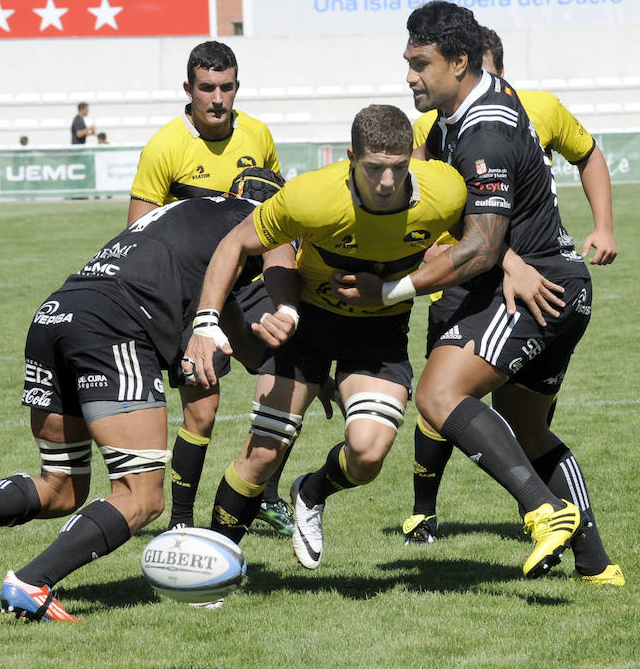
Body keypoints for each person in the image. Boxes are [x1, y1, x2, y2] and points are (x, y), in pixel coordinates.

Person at [0, 168, 291, 622]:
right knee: (142, 497)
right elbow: (278, 266)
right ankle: (31, 582)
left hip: (56, 314)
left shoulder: (193, 219)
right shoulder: (264, 223)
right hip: (112, 327)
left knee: (61, 486)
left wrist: (305, 370)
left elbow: (249, 345)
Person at [333, 1, 619, 582]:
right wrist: (507, 255)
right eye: (407, 62)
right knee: (528, 427)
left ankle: (542, 512)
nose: (409, 75)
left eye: (420, 63)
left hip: (536, 290)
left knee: (438, 397)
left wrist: (388, 290)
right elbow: (466, 216)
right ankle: (596, 565)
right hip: (557, 284)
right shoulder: (460, 114)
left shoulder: (484, 128)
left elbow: (480, 247)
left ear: (459, 61)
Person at [183, 105, 467, 571]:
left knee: (368, 453)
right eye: (374, 168)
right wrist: (213, 322)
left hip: (380, 329)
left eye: (398, 169)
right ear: (352, 157)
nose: (386, 182)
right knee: (262, 453)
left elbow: (479, 242)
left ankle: (311, 491)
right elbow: (240, 243)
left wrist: (511, 266)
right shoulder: (311, 196)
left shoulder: (445, 190)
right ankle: (212, 564)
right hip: (309, 323)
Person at [127, 40, 296, 535]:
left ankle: (260, 493)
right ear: (188, 89)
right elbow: (138, 235)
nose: (217, 98)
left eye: (226, 87)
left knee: (286, 378)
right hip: (188, 293)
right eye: (207, 88)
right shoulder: (164, 148)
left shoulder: (258, 135)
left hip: (245, 283)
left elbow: (274, 213)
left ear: (237, 87)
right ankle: (181, 523)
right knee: (202, 409)